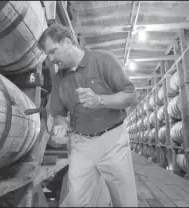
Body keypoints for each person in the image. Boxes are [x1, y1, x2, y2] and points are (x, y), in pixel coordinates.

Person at [38, 24, 138, 207]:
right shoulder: (59, 78)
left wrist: (100, 100)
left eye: (53, 51)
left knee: (124, 201)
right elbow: (59, 113)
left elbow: (131, 96)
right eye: (48, 55)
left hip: (113, 141)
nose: (51, 59)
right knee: (77, 201)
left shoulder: (103, 59)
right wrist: (60, 125)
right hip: (81, 144)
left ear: (67, 42)